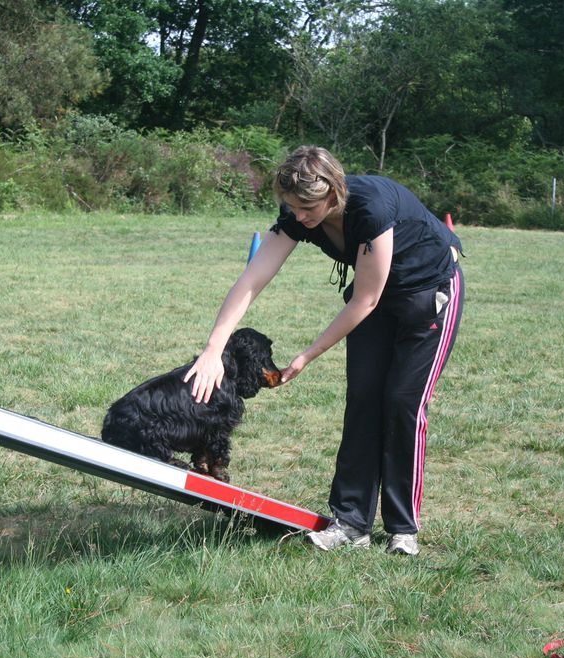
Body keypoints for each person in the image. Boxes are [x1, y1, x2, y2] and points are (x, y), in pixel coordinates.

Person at [184, 145, 464, 555]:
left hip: (428, 295)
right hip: (375, 301)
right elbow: (253, 279)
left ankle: (403, 528)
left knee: (402, 403)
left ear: (333, 192)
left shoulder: (371, 207)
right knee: (363, 401)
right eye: (291, 206)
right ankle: (350, 522)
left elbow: (364, 300)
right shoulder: (299, 216)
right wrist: (213, 346)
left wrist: (308, 354)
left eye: (306, 207)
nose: (298, 216)